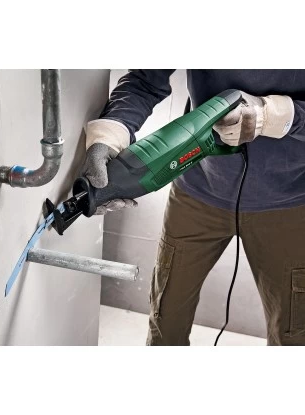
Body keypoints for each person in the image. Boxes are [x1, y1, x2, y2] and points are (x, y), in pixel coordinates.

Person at [81, 70, 305, 346]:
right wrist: (109, 134)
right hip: (197, 190)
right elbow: (144, 80)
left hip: (289, 202)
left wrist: (272, 115)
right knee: (166, 321)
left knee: (294, 334)